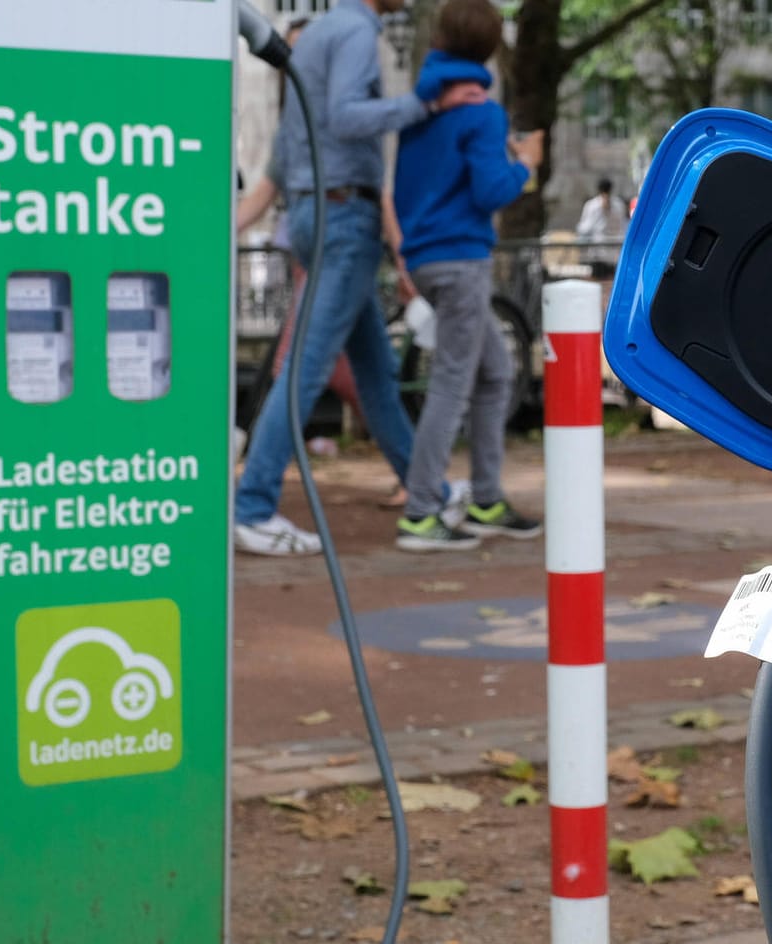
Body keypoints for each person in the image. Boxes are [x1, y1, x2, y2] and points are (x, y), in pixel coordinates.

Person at [231, 0, 485, 556]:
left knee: (375, 373)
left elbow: (280, 163)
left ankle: (431, 492)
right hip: (344, 217)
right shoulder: (353, 32)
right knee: (308, 366)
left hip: (320, 213)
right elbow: (348, 116)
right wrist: (426, 102)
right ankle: (251, 506)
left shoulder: (319, 36)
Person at [390, 0, 545, 552]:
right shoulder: (482, 112)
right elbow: (492, 192)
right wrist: (524, 162)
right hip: (462, 258)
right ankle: (422, 511)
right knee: (453, 382)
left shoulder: (424, 105)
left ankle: (484, 497)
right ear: (490, 46)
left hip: (426, 256)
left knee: (495, 372)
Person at [575, 177, 625, 279]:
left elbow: (585, 228)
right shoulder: (619, 205)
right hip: (616, 252)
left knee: (599, 285)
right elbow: (624, 225)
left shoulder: (592, 205)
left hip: (598, 252)